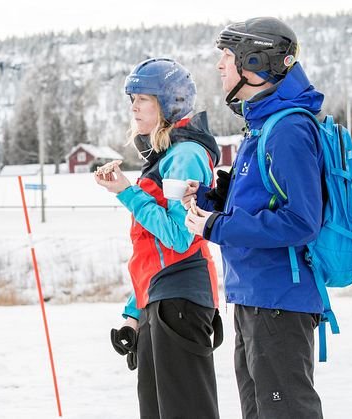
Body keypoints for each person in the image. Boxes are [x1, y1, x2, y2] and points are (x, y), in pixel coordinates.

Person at [183, 17, 326, 419]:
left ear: (256, 62)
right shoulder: (260, 124)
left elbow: (301, 220)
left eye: (227, 57)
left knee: (285, 412)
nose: (219, 66)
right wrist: (213, 201)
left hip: (278, 299)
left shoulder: (288, 130)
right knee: (259, 411)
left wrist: (216, 227)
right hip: (253, 296)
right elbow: (262, 202)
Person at [96, 58, 223, 419]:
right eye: (132, 98)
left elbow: (177, 237)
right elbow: (151, 254)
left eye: (144, 99)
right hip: (161, 298)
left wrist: (127, 192)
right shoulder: (166, 156)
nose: (134, 107)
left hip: (180, 298)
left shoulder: (185, 156)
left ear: (170, 105)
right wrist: (132, 315)